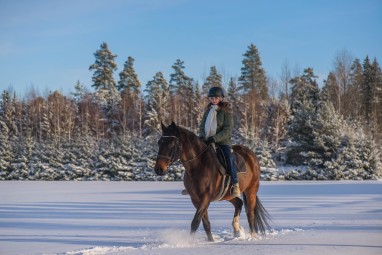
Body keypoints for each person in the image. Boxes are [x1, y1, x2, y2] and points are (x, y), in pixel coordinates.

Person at [198, 86, 240, 197]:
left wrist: (214, 138)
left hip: (222, 142)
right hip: (207, 141)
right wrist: (202, 136)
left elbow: (227, 130)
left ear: (221, 98)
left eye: (216, 98)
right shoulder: (208, 111)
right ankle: (192, 184)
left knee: (228, 158)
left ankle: (235, 184)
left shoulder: (226, 112)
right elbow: (202, 126)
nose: (213, 100)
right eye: (211, 98)